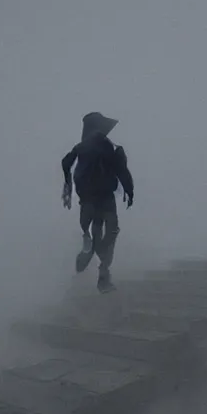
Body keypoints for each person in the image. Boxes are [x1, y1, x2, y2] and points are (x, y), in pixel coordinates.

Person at [61, 111, 134, 293]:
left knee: (92, 233)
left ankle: (89, 259)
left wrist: (68, 185)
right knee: (110, 231)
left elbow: (65, 162)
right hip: (105, 200)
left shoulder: (81, 147)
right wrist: (129, 191)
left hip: (88, 201)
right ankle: (103, 272)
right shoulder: (110, 147)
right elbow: (121, 170)